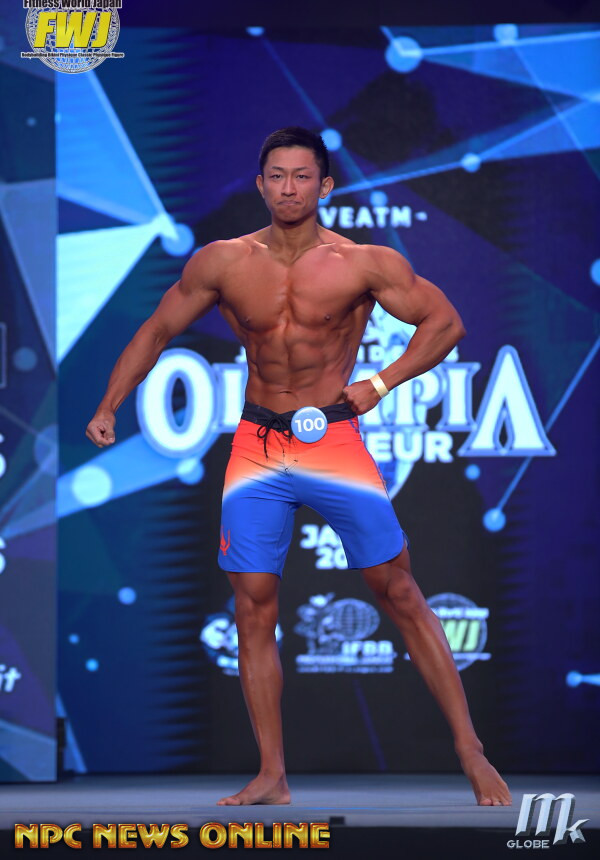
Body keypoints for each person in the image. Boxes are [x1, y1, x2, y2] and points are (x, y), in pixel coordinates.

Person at [86, 126, 511, 809]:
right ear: (261, 185)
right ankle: (272, 775)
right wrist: (110, 403)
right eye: (277, 176)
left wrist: (381, 382)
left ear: (325, 186)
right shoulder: (223, 262)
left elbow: (445, 324)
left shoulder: (363, 263)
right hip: (257, 443)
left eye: (302, 176)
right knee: (252, 607)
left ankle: (471, 751)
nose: (289, 188)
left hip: (332, 440)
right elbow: (158, 330)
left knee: (398, 590)